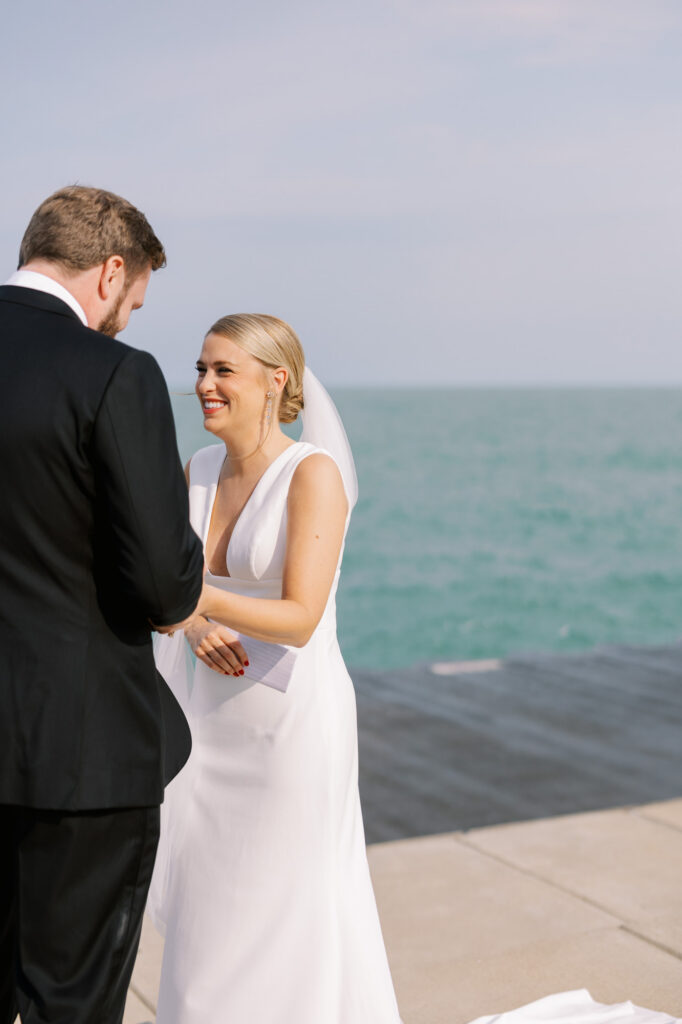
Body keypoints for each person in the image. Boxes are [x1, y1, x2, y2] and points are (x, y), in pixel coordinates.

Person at [147, 314, 402, 1023]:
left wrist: (193, 595)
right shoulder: (196, 469)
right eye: (200, 369)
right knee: (209, 911)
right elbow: (161, 590)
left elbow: (301, 614)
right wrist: (192, 620)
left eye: (223, 370)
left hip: (291, 734)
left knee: (288, 907)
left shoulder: (310, 473)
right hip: (208, 728)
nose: (204, 385)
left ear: (275, 379)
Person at [0, 185, 205, 1024]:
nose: (125, 320)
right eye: (132, 302)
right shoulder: (114, 373)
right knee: (69, 1003)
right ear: (110, 271)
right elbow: (164, 585)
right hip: (80, 756)